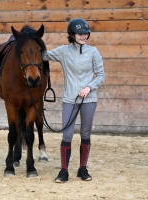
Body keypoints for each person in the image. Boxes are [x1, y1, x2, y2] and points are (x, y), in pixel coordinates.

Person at [42, 18, 106, 182]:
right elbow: (44, 56)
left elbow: (101, 75)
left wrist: (88, 87)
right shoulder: (63, 51)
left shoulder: (93, 52)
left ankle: (82, 169)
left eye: (85, 33)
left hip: (88, 99)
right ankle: (64, 171)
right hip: (70, 99)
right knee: (67, 135)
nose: (83, 36)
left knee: (85, 133)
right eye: (80, 33)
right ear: (72, 34)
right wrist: (31, 43)